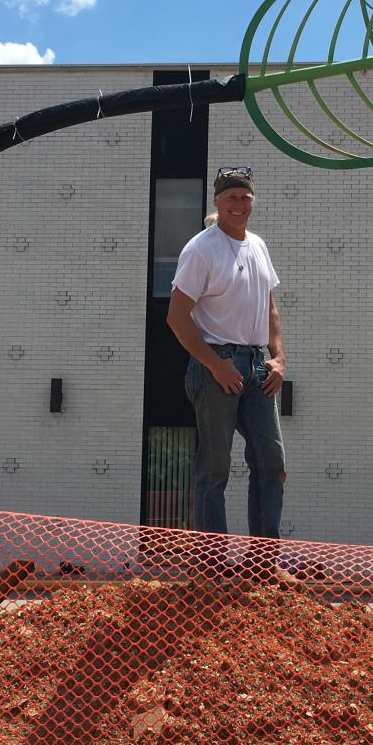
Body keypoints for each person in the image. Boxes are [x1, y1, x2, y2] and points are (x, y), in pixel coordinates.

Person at [166, 167, 287, 541]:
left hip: (256, 365)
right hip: (216, 362)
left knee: (272, 463)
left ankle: (263, 561)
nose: (239, 203)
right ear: (218, 201)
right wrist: (215, 365)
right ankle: (211, 563)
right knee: (215, 467)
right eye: (232, 197)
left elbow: (269, 307)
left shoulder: (259, 246)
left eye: (245, 196)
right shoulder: (202, 248)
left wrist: (279, 358)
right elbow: (176, 316)